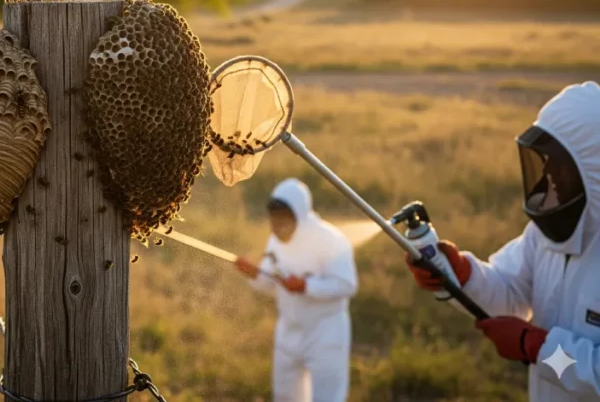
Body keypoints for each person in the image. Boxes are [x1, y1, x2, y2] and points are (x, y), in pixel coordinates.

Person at [405, 80, 600, 401]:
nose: (548, 170)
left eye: (560, 162)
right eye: (544, 156)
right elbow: (510, 296)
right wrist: (461, 273)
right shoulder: (546, 235)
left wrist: (537, 348)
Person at [234, 177, 358, 402]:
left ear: (299, 215)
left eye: (283, 220)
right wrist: (253, 273)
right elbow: (268, 282)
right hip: (288, 332)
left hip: (325, 333)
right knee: (284, 396)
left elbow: (347, 284)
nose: (276, 227)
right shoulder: (276, 241)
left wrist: (306, 286)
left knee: (328, 398)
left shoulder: (331, 240)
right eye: (273, 220)